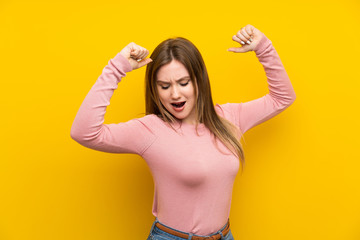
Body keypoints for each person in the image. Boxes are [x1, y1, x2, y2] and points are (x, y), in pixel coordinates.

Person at [70, 24, 296, 240]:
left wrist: (263, 47)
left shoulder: (229, 118)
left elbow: (282, 97)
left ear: (199, 81)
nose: (175, 94)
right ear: (155, 88)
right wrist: (116, 68)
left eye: (183, 82)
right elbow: (84, 132)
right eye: (164, 86)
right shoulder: (150, 130)